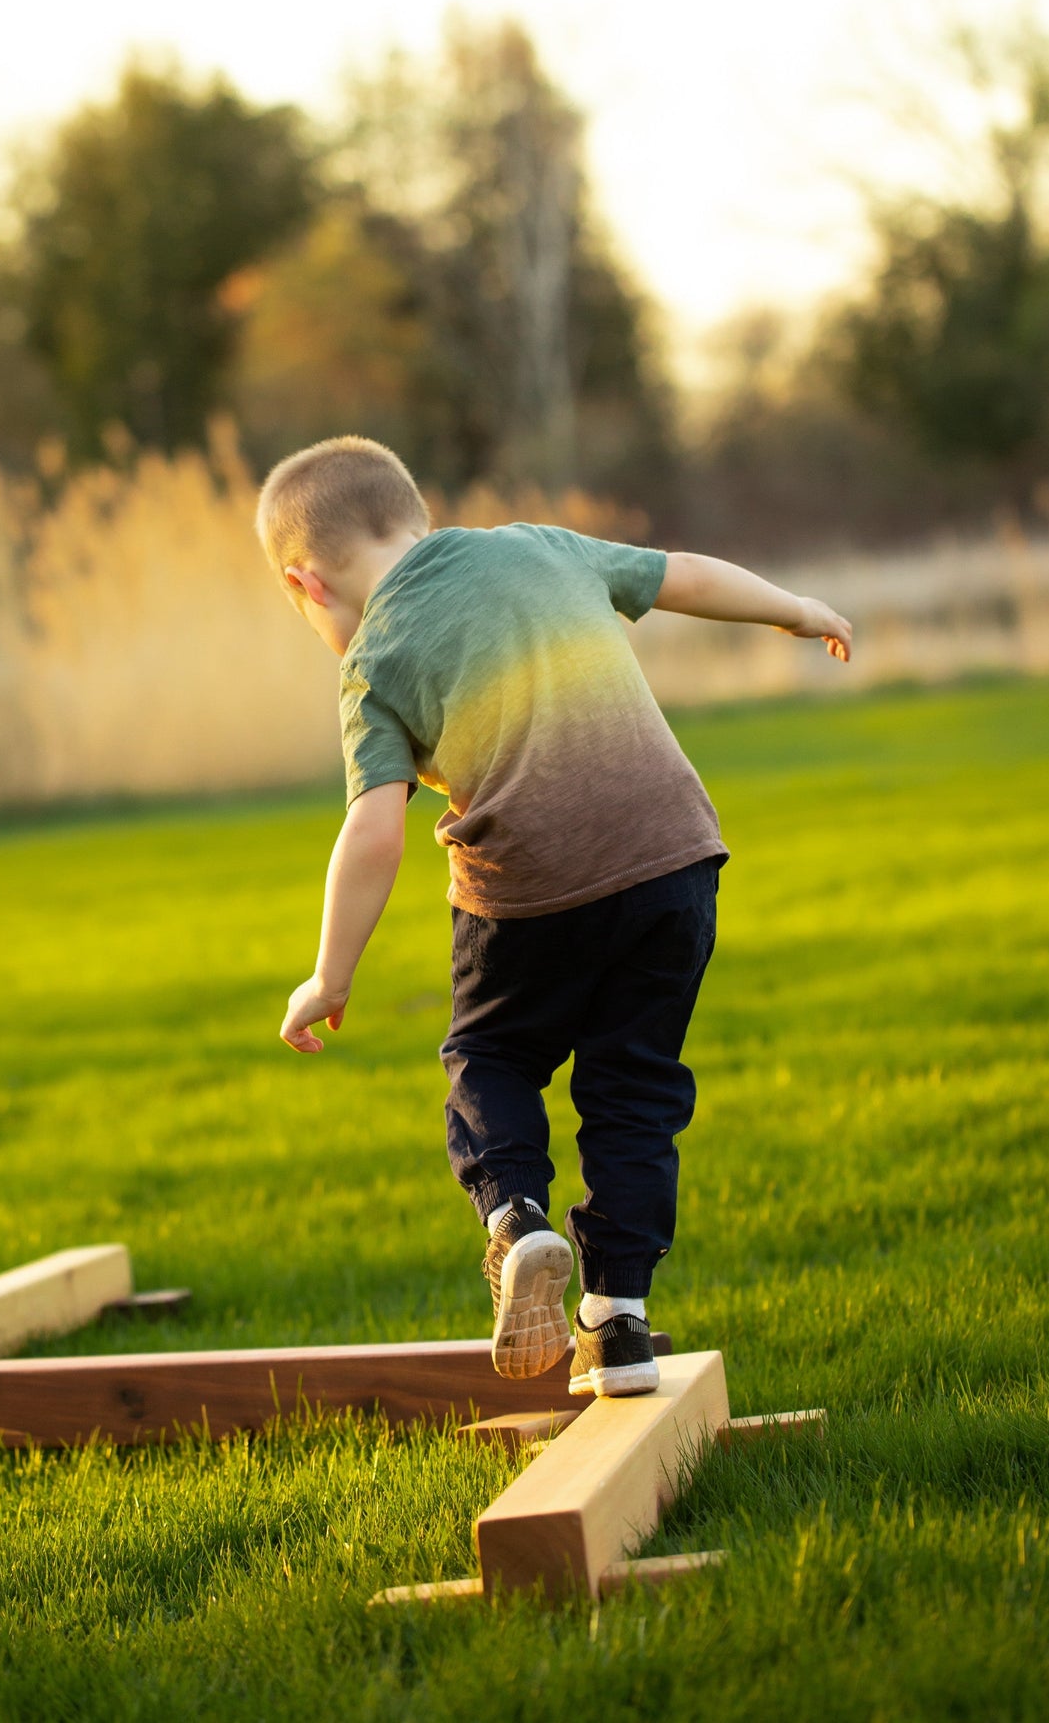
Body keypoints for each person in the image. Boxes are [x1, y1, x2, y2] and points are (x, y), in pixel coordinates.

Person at [256, 436, 851, 1397]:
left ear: (305, 582)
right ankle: (618, 1325)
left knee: (491, 1058)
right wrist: (796, 610)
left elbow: (374, 829)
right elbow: (684, 575)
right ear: (409, 510)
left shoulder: (373, 659)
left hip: (528, 890)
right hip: (673, 861)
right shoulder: (541, 548)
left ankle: (515, 1219)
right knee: (634, 1089)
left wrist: (330, 974)